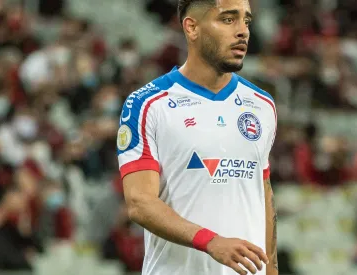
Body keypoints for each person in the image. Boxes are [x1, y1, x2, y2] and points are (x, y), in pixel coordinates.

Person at [116, 1, 278, 275]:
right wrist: (211, 242)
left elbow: (263, 194)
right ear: (191, 27)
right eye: (228, 20)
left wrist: (272, 270)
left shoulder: (262, 104)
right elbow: (140, 203)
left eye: (246, 21)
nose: (243, 32)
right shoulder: (148, 104)